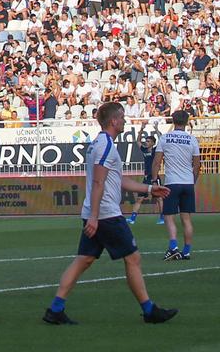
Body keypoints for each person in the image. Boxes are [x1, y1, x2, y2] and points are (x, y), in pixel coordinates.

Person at [43, 102, 177, 326]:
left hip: (96, 212)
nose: (125, 120)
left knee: (83, 260)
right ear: (114, 121)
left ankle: (55, 309)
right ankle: (149, 310)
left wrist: (150, 189)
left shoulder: (100, 144)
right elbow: (98, 182)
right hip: (105, 214)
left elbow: (117, 179)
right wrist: (95, 217)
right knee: (133, 258)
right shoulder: (105, 146)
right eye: (122, 117)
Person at [156, 109, 201, 260]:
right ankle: (187, 251)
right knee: (186, 218)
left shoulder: (165, 138)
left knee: (169, 216)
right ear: (187, 122)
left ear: (173, 121)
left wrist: (154, 179)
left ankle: (173, 247)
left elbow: (157, 161)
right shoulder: (192, 139)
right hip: (187, 182)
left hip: (172, 182)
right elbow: (197, 164)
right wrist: (193, 180)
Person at [129, 133, 156, 226]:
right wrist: (141, 129)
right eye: (146, 141)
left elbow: (161, 141)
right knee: (139, 198)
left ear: (153, 143)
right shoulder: (144, 150)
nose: (146, 143)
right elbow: (138, 141)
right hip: (146, 177)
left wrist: (156, 129)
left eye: (148, 141)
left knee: (159, 198)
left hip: (154, 177)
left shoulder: (156, 150)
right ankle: (132, 218)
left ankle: (162, 217)